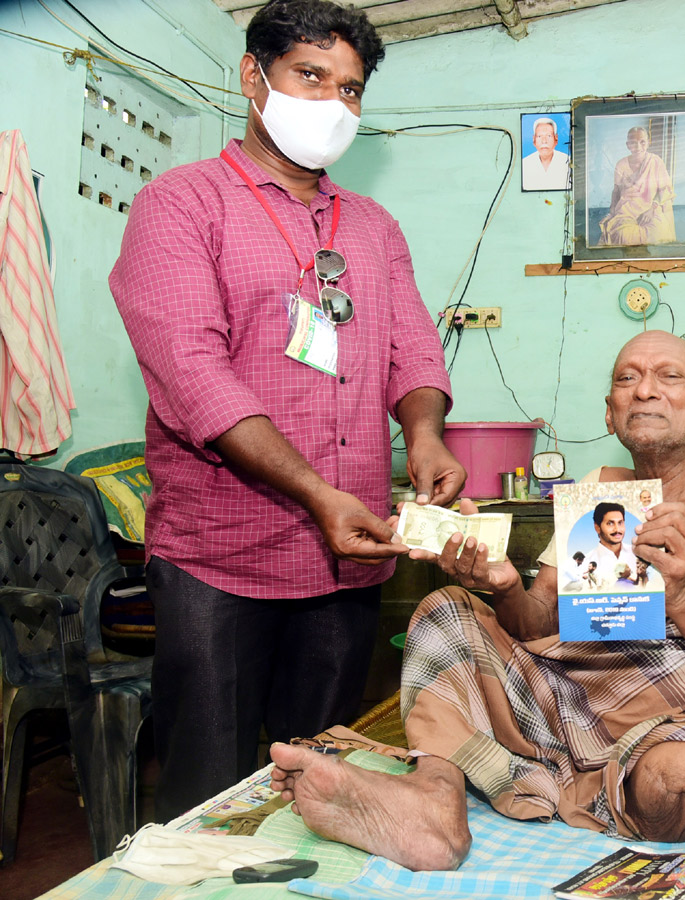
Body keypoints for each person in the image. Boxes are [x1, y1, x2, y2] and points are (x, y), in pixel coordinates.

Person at [269, 330, 685, 871]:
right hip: (583, 704)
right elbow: (538, 627)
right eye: (627, 378)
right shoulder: (598, 494)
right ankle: (434, 799)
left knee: (678, 783)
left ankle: (608, 779)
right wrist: (504, 584)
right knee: (448, 610)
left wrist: (681, 597)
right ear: (610, 412)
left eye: (669, 377)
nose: (645, 390)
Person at [109, 0, 464, 822]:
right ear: (252, 74)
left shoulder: (373, 227)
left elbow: (412, 347)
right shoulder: (181, 206)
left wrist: (425, 435)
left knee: (327, 783)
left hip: (345, 562)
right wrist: (314, 492)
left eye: (350, 89)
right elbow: (196, 376)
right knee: (212, 793)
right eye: (311, 76)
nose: (332, 105)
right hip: (219, 562)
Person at [599, 127, 676, 246]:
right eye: (633, 143)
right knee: (622, 235)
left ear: (648, 143)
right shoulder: (621, 164)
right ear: (627, 145)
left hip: (651, 208)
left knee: (658, 233)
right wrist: (613, 209)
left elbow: (665, 190)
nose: (638, 146)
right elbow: (616, 190)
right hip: (627, 210)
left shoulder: (655, 161)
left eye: (642, 142)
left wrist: (652, 209)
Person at [582, 502, 640, 585]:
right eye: (610, 523)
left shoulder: (638, 554)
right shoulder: (586, 562)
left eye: (620, 523)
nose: (617, 529)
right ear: (597, 527)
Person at [522, 116, 570, 190]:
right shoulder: (524, 164)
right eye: (539, 136)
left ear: (556, 138)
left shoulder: (567, 161)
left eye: (549, 136)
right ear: (533, 139)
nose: (544, 141)